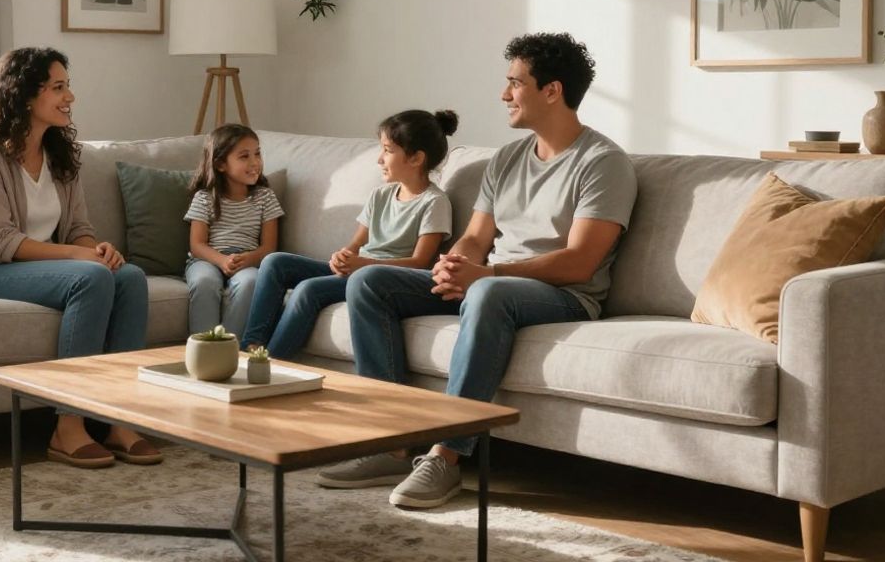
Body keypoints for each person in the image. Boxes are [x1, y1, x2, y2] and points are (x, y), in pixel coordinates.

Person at [318, 32, 637, 509]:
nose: (504, 94)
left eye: (515, 83)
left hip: (565, 296)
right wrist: (456, 263)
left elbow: (580, 261)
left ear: (551, 90)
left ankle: (446, 456)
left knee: (490, 295)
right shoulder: (507, 159)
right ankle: (391, 442)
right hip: (493, 280)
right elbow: (476, 236)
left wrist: (487, 277)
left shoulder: (603, 163)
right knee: (369, 281)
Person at [0, 47, 160, 469]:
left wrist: (95, 249)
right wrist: (82, 259)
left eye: (68, 86)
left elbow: (79, 225)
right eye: (58, 88)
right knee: (91, 279)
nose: (70, 97)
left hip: (43, 266)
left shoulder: (60, 154)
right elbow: (1, 242)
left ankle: (119, 419)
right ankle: (68, 425)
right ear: (25, 95)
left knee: (130, 277)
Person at [242, 109, 458, 358]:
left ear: (416, 158)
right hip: (357, 269)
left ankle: (271, 362)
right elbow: (356, 243)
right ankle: (250, 347)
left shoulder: (434, 202)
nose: (379, 159)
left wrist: (362, 265)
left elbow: (420, 263)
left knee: (308, 290)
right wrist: (342, 257)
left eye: (387, 150)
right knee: (275, 262)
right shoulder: (381, 195)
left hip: (376, 281)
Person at [184, 124, 284, 338]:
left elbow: (269, 247)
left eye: (257, 154)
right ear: (220, 164)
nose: (255, 162)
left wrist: (248, 259)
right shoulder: (204, 197)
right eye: (244, 157)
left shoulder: (265, 197)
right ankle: (204, 349)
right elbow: (197, 244)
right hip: (207, 259)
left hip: (247, 259)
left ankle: (230, 350)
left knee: (251, 282)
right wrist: (221, 260)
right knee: (204, 282)